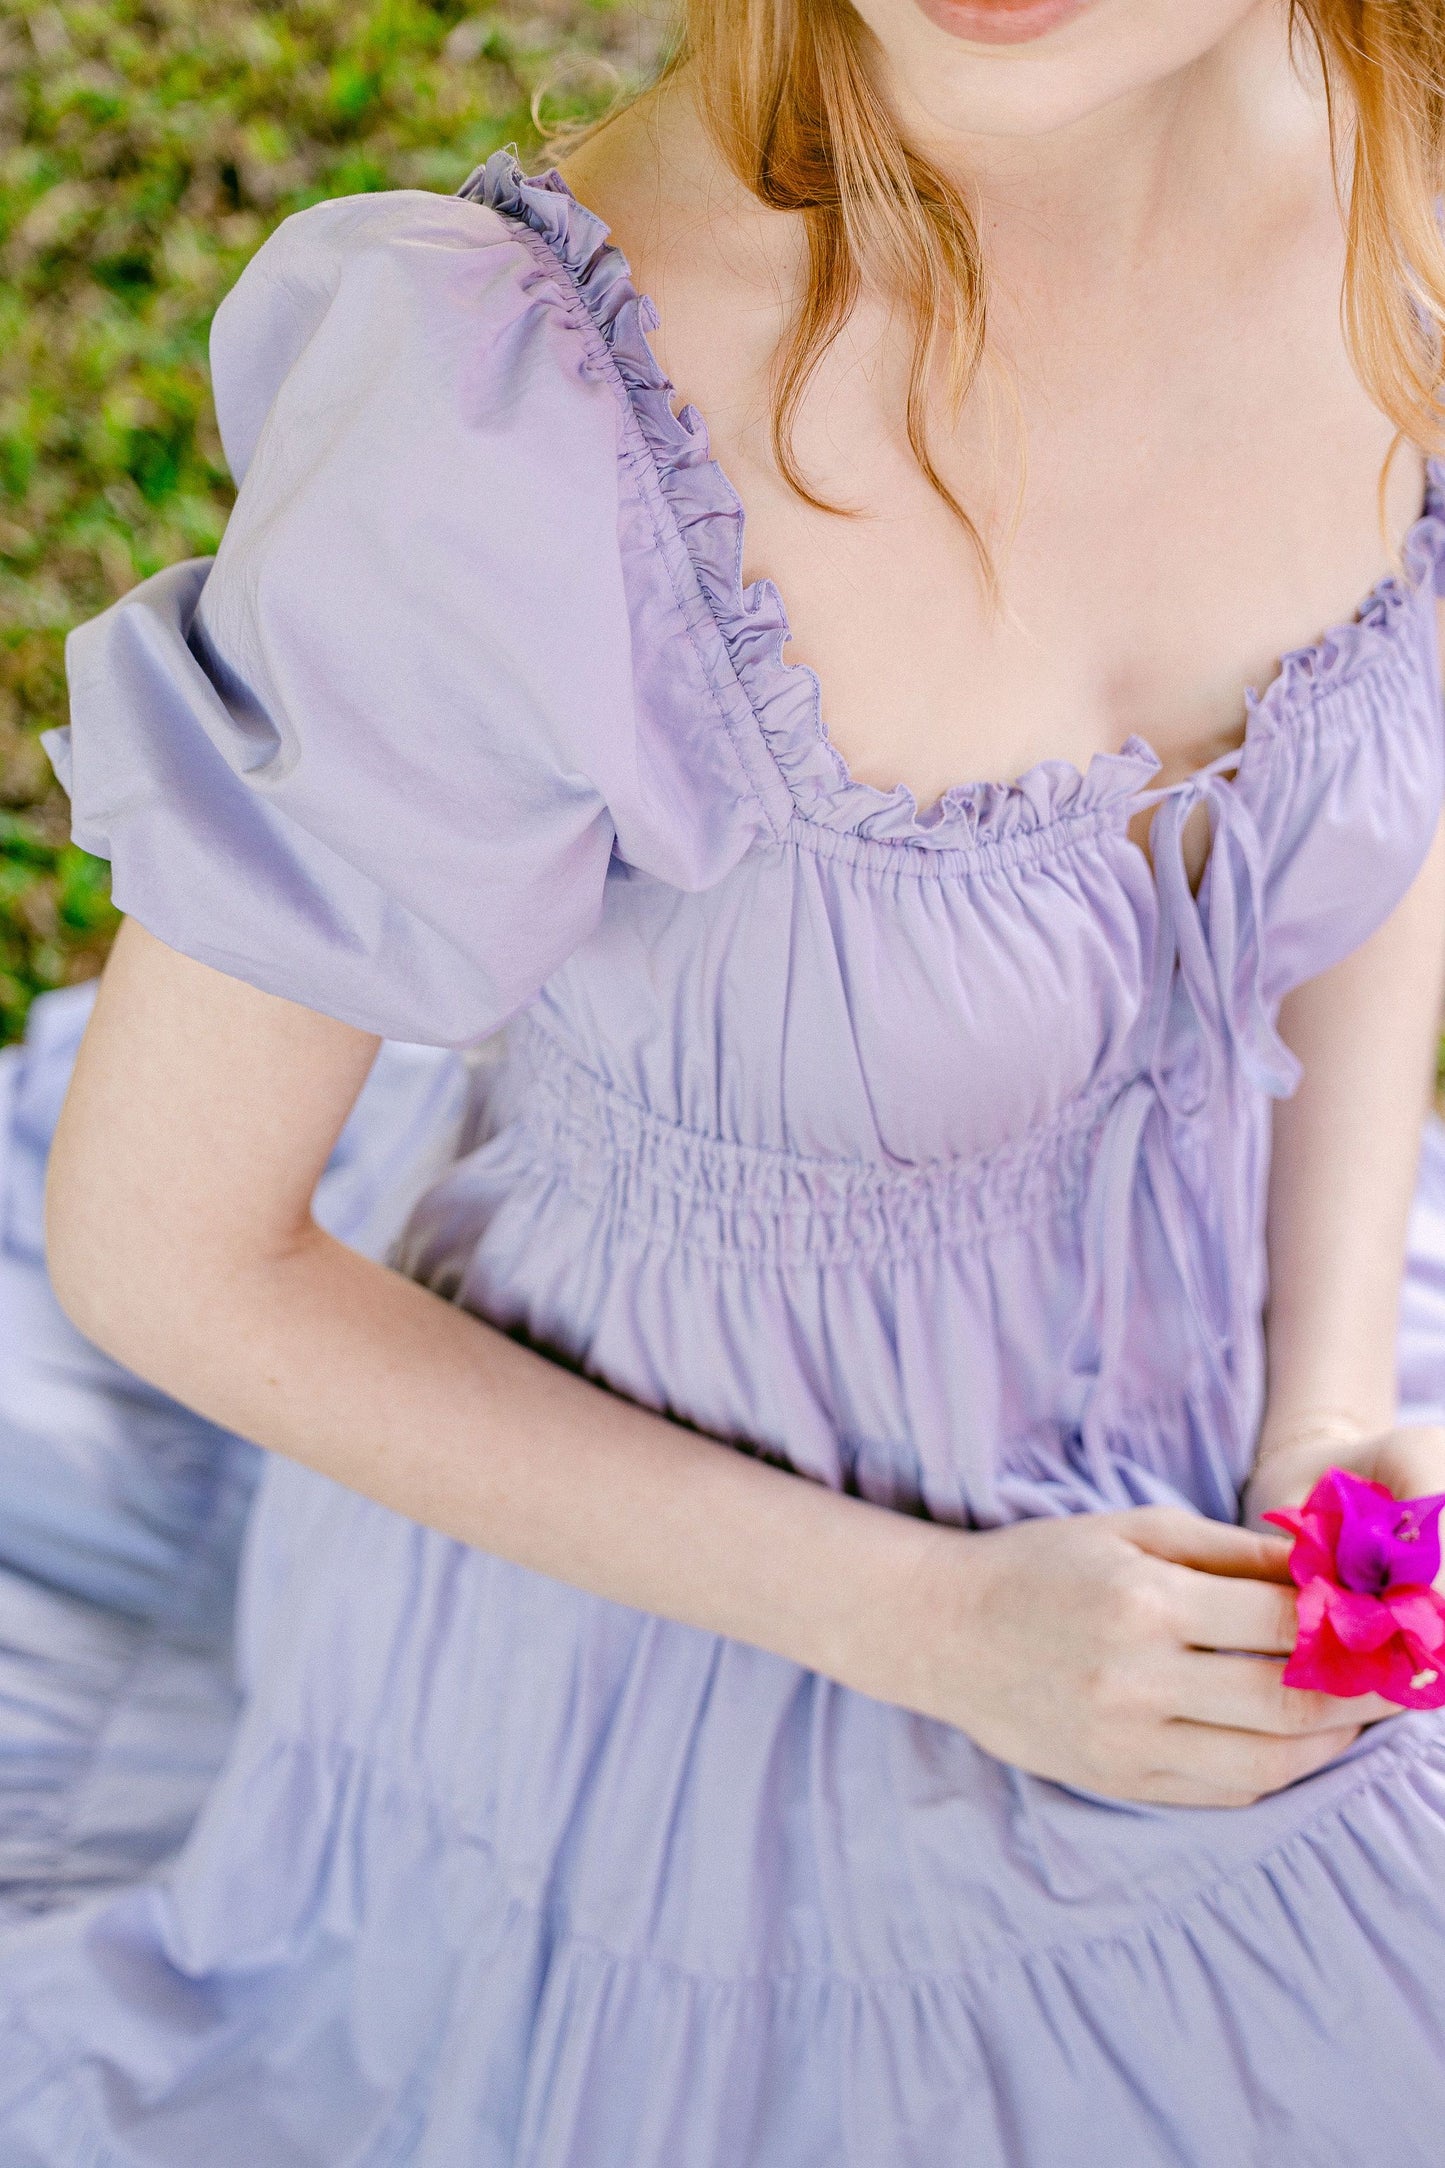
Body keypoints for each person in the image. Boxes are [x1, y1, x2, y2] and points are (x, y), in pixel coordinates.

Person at [3, 0, 1445, 2157]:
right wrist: (946, 1628)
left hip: (1221, 1373)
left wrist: (1319, 1422)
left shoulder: (1395, 171)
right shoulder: (519, 425)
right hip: (675, 1632)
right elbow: (163, 1251)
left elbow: (1348, 826)